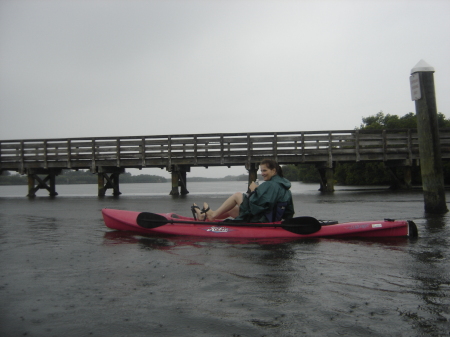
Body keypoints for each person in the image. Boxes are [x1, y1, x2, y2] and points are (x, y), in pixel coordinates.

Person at [192, 159, 295, 222]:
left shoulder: (270, 184)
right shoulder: (285, 187)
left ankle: (212, 215)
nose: (262, 173)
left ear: (273, 170)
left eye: (265, 170)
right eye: (261, 171)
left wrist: (254, 190)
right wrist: (284, 222)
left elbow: (255, 204)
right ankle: (209, 217)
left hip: (261, 219)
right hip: (269, 218)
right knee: (232, 210)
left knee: (237, 195)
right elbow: (289, 211)